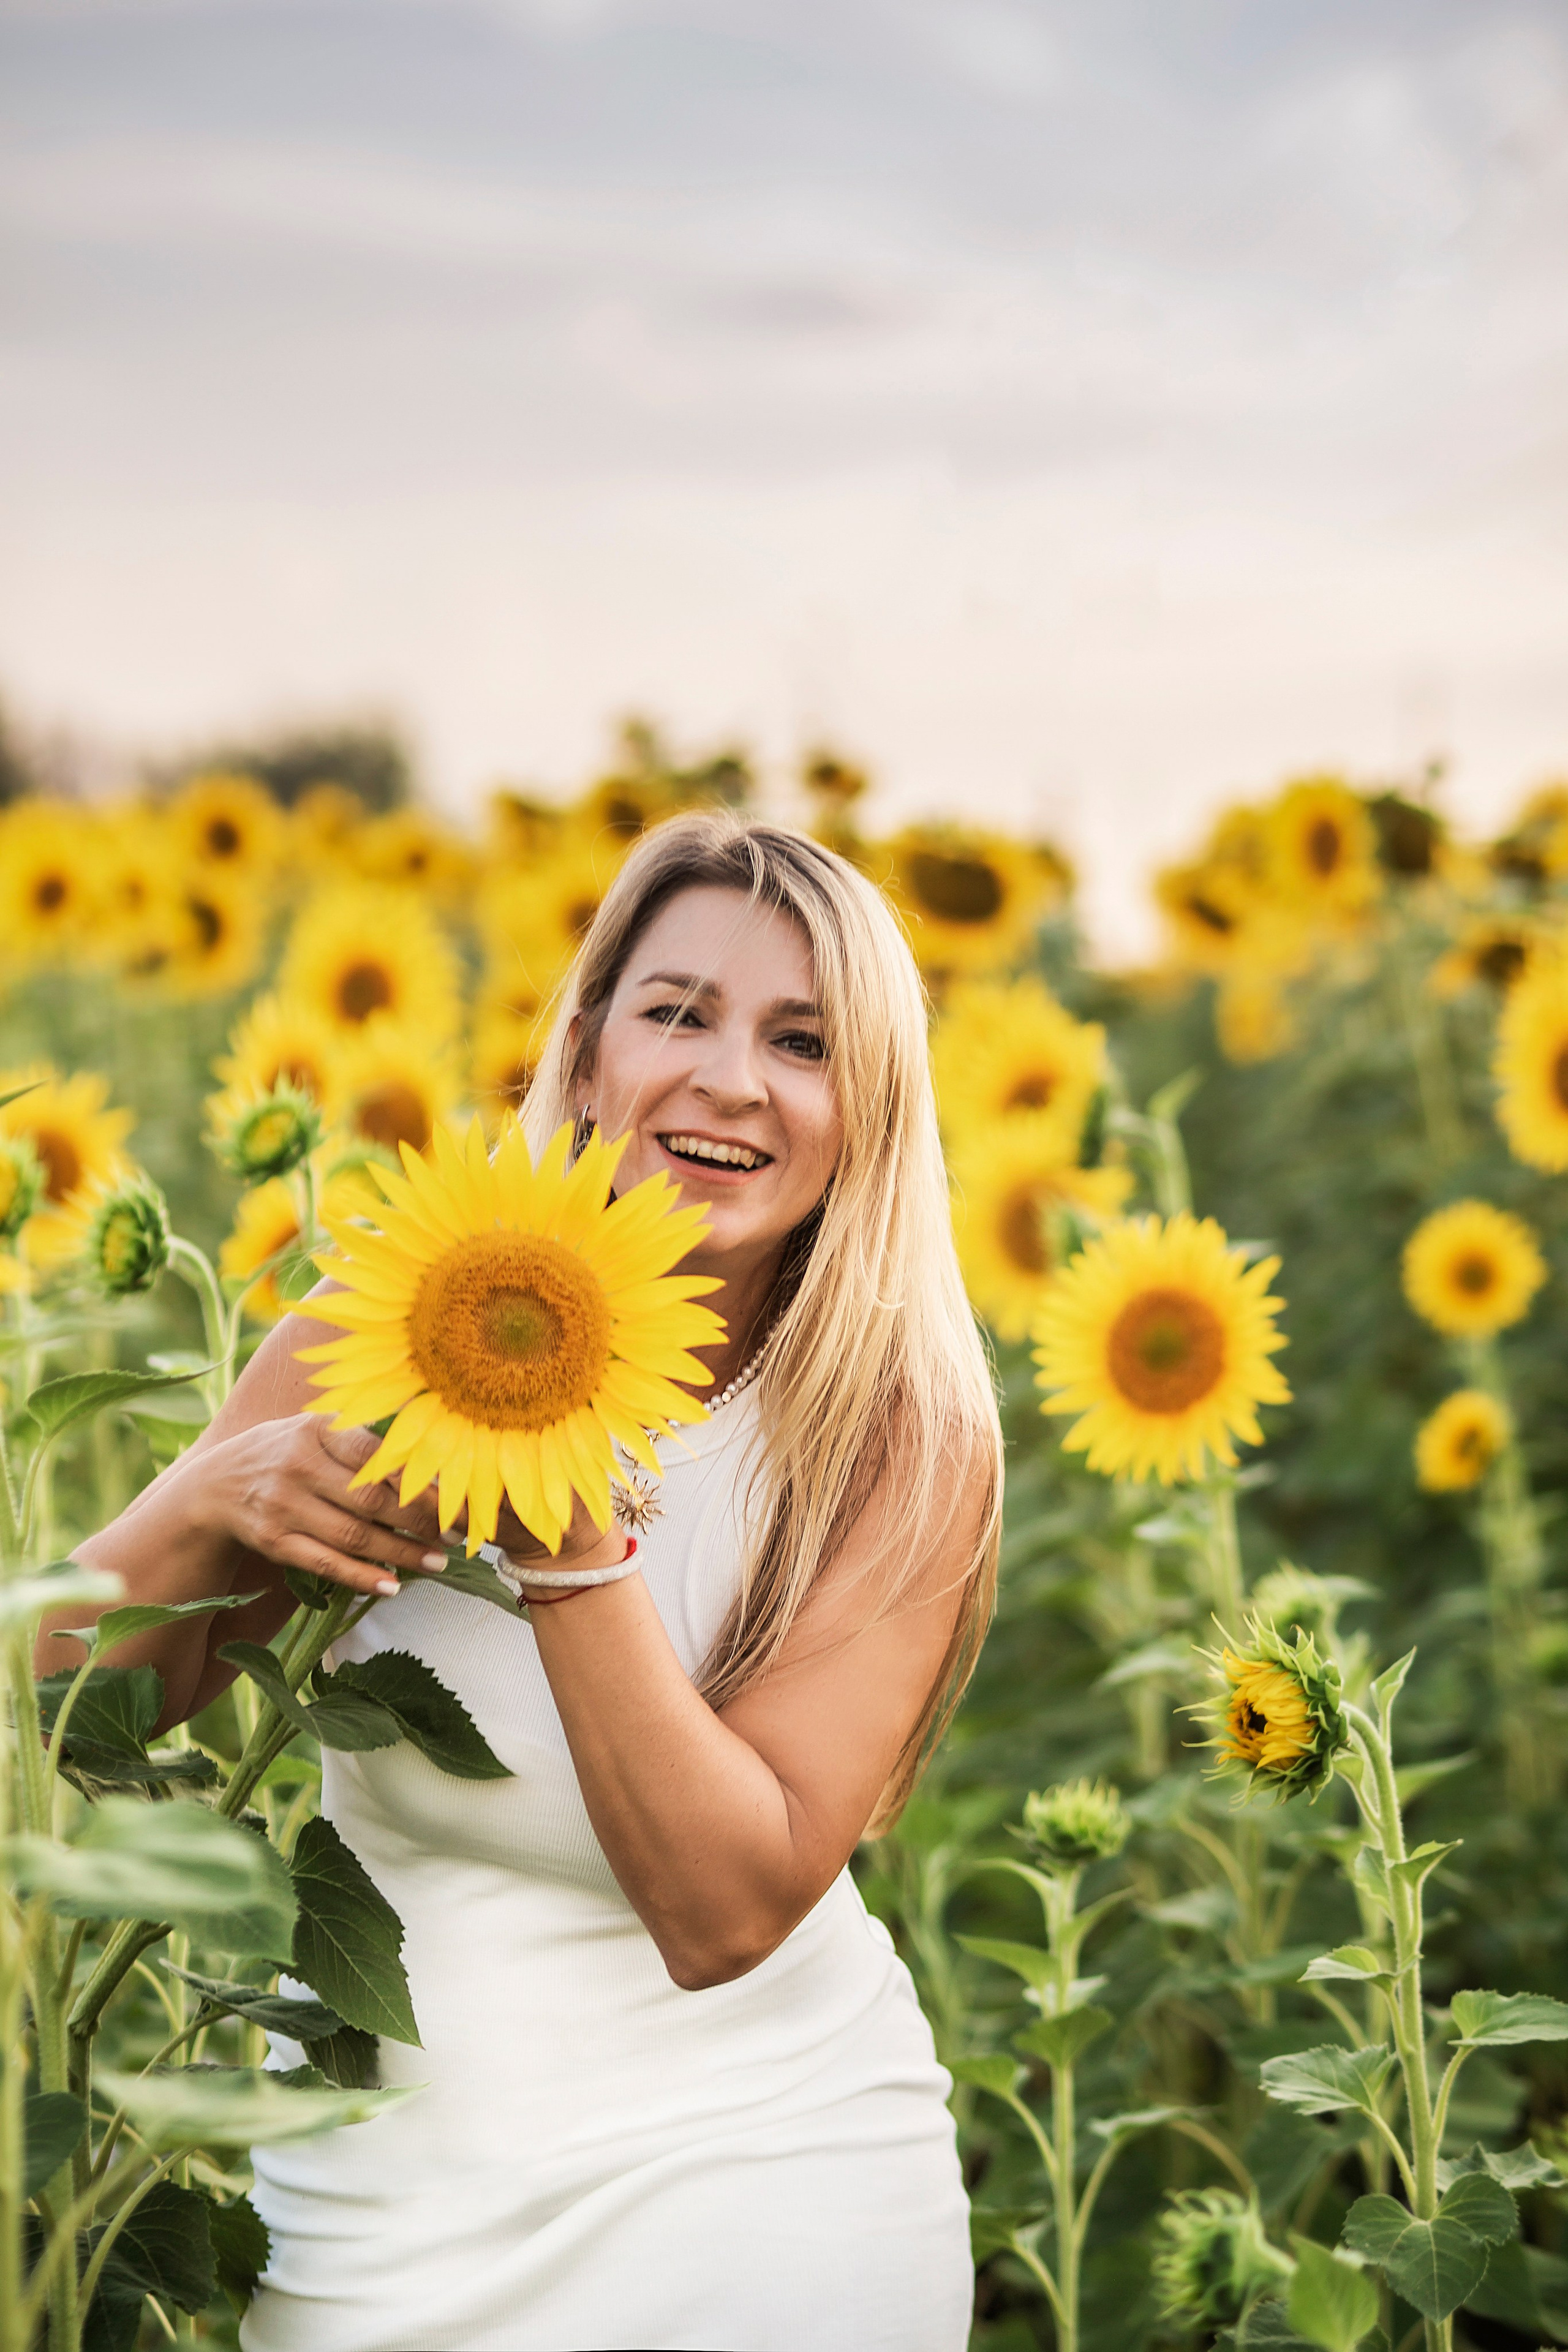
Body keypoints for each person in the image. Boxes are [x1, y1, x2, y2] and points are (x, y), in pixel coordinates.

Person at [68, 815, 1003, 2352]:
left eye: (802, 1041)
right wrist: (206, 1496)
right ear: (581, 1052)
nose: (729, 1079)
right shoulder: (384, 1320)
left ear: (867, 1116)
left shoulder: (892, 1433)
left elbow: (727, 1909)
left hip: (768, 2186)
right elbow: (78, 1715)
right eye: (677, 1011)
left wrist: (570, 1538)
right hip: (378, 2214)